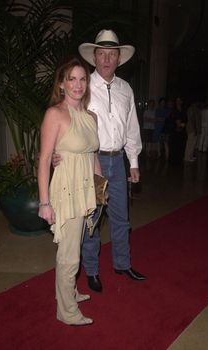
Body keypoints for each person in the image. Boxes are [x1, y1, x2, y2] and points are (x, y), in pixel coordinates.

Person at [53, 29, 146, 293]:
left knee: (121, 217)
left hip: (118, 163)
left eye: (112, 54)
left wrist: (134, 162)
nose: (107, 59)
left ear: (119, 59)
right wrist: (57, 151)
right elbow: (63, 118)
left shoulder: (125, 89)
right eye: (102, 53)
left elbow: (131, 128)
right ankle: (92, 270)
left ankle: (122, 263)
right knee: (92, 220)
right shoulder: (82, 86)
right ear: (94, 57)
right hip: (90, 162)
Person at [38, 56, 101, 326]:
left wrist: (100, 189)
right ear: (61, 84)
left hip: (86, 188)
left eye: (82, 79)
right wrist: (44, 203)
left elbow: (92, 154)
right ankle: (67, 311)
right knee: (70, 254)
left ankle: (69, 293)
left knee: (74, 246)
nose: (77, 84)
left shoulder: (91, 117)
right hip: (66, 189)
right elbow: (44, 159)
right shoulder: (55, 114)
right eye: (71, 79)